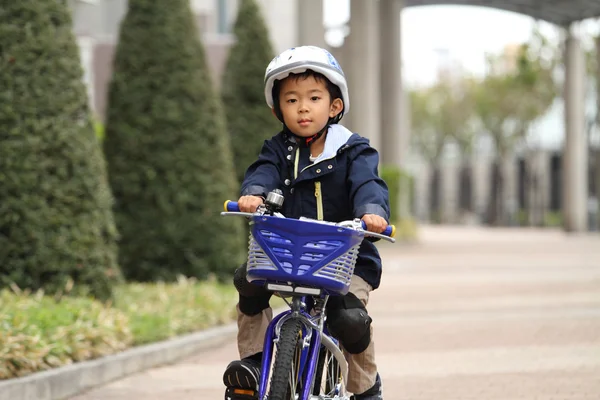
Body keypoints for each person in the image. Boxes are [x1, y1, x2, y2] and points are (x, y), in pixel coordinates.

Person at [223, 45, 390, 400]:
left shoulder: (353, 150)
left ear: (334, 106)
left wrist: (372, 212)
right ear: (277, 109)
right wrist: (254, 192)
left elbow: (368, 183)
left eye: (314, 98)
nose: (302, 107)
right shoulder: (277, 150)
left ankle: (365, 388)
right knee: (247, 280)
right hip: (287, 254)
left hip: (347, 259)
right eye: (291, 99)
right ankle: (253, 364)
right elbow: (262, 172)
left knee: (349, 319)